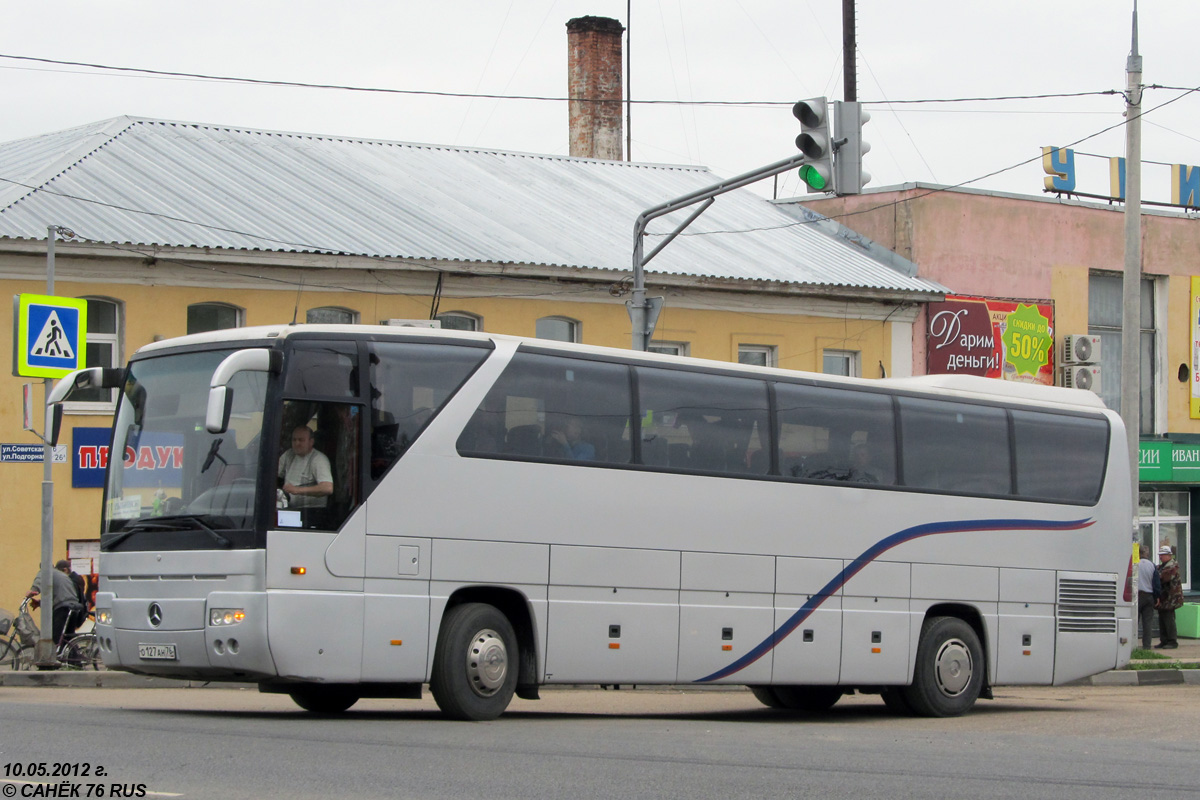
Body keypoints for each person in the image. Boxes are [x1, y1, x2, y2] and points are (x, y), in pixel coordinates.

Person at [26, 559, 86, 646]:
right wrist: (40, 603)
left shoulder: (47, 572)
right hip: (74, 607)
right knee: (67, 638)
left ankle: (55, 657)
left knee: (55, 637)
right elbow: (58, 595)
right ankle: (73, 657)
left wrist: (33, 590)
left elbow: (40, 578)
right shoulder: (60, 575)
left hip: (63, 608)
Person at [278, 425, 333, 508]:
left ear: (311, 442)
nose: (297, 443)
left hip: (311, 512)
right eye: (294, 440)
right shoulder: (289, 454)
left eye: (301, 440)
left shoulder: (318, 459)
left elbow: (327, 488)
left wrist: (297, 490)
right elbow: (274, 473)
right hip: (289, 508)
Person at [1155, 545, 1183, 649]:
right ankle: (1164, 640)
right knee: (1162, 619)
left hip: (1171, 598)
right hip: (1163, 598)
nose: (1160, 557)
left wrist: (1156, 575)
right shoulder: (1162, 566)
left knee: (1169, 619)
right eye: (1160, 555)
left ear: (1168, 555)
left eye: (1162, 555)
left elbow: (1163, 578)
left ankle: (1172, 641)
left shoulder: (1172, 566)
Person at [1137, 549, 1160, 649]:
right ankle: (1146, 646)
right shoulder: (1152, 565)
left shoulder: (1134, 564)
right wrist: (1157, 596)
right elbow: (1156, 583)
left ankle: (1131, 645)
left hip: (1136, 596)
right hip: (1149, 596)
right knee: (1148, 623)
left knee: (1134, 623)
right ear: (1147, 554)